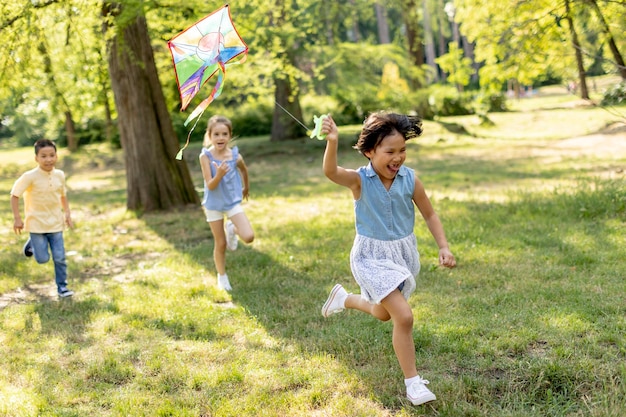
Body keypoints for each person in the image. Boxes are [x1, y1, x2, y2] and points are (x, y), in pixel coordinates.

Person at [319, 112, 456, 406]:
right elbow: (331, 172)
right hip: (370, 257)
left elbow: (429, 214)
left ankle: (345, 299)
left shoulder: (410, 180)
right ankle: (413, 383)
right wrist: (332, 141)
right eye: (390, 152)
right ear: (370, 152)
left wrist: (443, 246)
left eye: (402, 150)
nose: (398, 158)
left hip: (402, 256)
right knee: (404, 317)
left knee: (385, 314)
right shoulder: (359, 180)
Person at [10, 139, 75, 298]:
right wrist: (17, 219)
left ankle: (62, 288)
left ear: (56, 156)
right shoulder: (30, 176)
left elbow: (63, 195)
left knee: (60, 257)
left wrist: (67, 214)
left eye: (52, 155)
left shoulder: (60, 175)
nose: (48, 159)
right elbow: (14, 195)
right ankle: (32, 243)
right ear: (36, 158)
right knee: (43, 259)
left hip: (55, 223)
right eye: (44, 156)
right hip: (36, 224)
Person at [199, 115, 254, 291]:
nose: (220, 138)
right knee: (220, 243)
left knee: (248, 236)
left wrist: (246, 187)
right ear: (210, 136)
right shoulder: (205, 157)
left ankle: (232, 228)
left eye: (224, 134)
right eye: (216, 134)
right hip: (213, 204)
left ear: (230, 136)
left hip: (231, 202)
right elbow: (210, 185)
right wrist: (220, 174)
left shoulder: (235, 156)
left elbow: (244, 170)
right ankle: (222, 277)